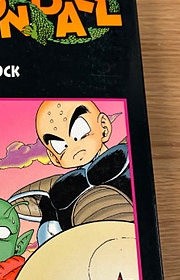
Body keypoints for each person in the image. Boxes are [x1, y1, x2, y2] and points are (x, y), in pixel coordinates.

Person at [35, 100, 131, 244]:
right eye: (60, 145)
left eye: (80, 132)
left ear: (104, 126)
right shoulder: (57, 197)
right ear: (54, 157)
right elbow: (49, 233)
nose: (74, 147)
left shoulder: (129, 161)